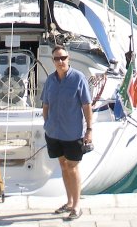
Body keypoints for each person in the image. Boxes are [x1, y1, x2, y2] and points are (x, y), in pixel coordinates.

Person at [41, 45, 93, 221]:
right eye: (57, 59)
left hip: (72, 133)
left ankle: (77, 206)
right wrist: (46, 123)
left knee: (73, 167)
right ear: (53, 61)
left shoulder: (79, 78)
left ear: (68, 58)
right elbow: (45, 104)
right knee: (63, 166)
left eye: (63, 58)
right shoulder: (50, 80)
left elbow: (86, 105)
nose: (60, 61)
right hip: (54, 132)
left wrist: (89, 130)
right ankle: (69, 202)